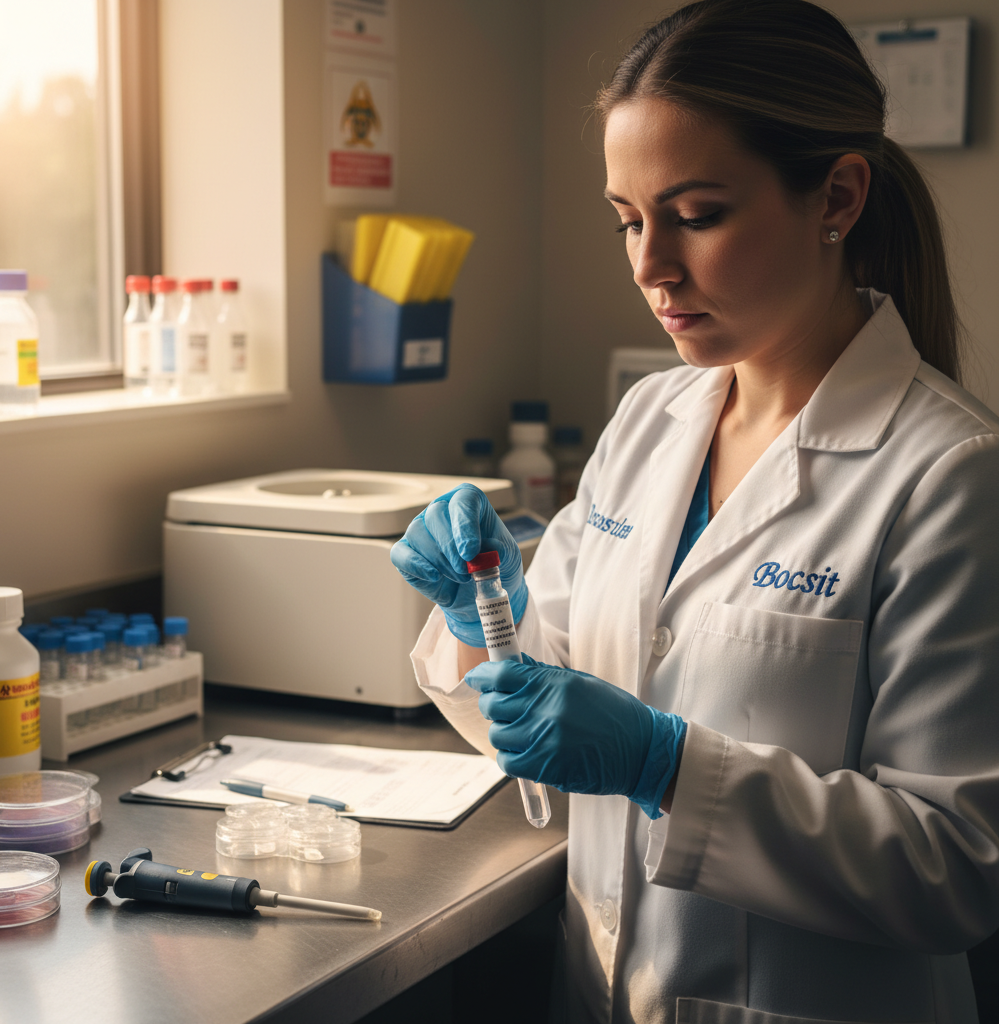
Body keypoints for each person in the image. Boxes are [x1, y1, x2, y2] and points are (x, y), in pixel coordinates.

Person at [390, 1, 999, 1020]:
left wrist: (665, 765)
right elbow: (559, 706)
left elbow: (957, 864)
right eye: (628, 217)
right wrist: (483, 622)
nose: (647, 265)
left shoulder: (949, 472)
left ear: (836, 196)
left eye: (697, 213)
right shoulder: (650, 418)